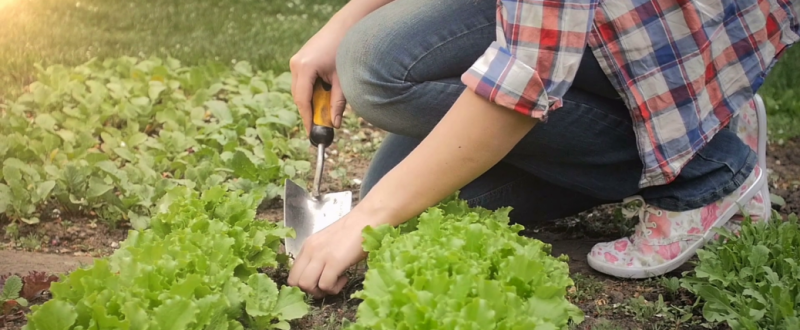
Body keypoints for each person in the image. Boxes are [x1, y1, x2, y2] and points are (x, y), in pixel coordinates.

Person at [286, 0, 797, 298]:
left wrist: (367, 218)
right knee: (413, 204)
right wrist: (343, 21)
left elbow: (525, 75)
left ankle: (707, 170)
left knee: (376, 71)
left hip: (662, 30)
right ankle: (703, 114)